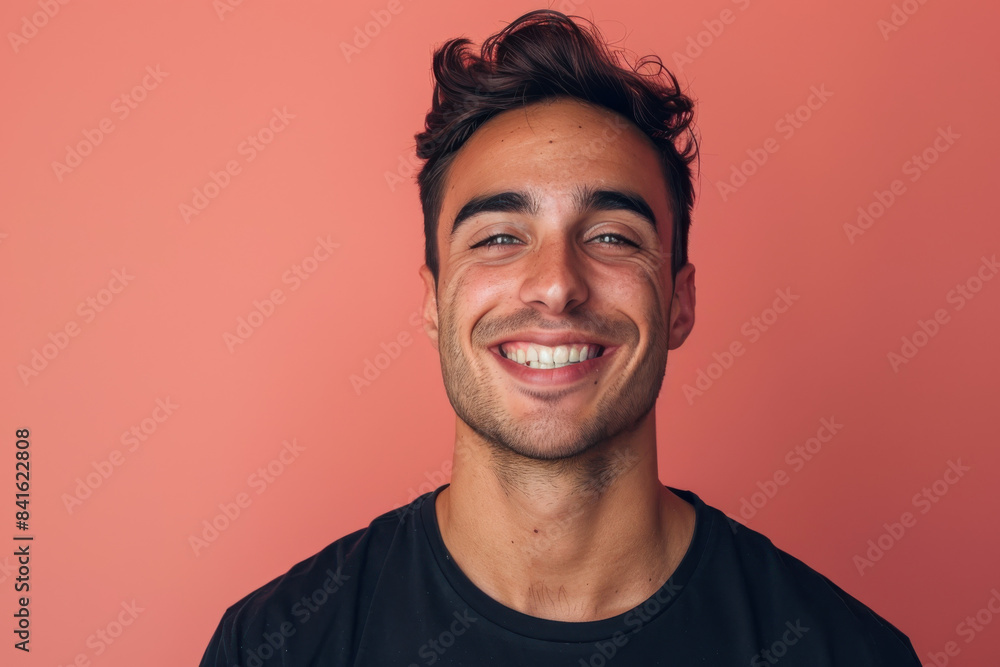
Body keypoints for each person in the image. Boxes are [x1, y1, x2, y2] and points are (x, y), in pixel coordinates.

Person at [199, 10, 921, 666]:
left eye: (611, 236)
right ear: (434, 302)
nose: (555, 284)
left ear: (680, 302)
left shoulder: (846, 652)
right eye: (499, 237)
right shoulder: (276, 646)